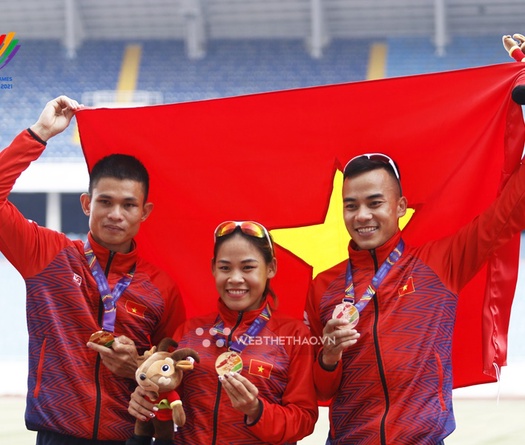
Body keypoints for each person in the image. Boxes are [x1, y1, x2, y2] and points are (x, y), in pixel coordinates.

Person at [0, 96, 186, 444]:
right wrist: (39, 133)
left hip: (130, 436)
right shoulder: (47, 254)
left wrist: (137, 369)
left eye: (129, 204)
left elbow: (175, 371)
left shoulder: (161, 287)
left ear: (144, 212)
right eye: (105, 201)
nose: (116, 214)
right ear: (87, 203)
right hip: (58, 434)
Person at [304, 153, 525, 445]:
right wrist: (329, 357)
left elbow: (506, 216)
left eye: (375, 203)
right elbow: (320, 391)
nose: (362, 215)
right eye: (351, 206)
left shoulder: (440, 263)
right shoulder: (324, 287)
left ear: (400, 207)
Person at [128, 220, 318, 445]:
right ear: (213, 268)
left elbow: (305, 419)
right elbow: (165, 396)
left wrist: (257, 411)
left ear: (271, 268)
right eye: (225, 267)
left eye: (248, 267)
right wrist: (144, 399)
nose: (235, 279)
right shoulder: (188, 331)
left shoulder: (294, 335)